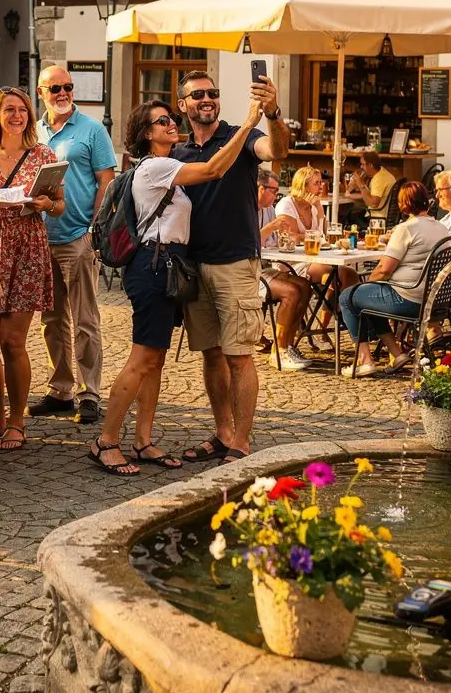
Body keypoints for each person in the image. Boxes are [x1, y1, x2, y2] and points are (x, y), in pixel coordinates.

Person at [91, 96, 261, 476]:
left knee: (155, 361)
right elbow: (215, 169)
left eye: (171, 118)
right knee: (142, 359)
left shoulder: (165, 165)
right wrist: (248, 124)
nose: (171, 124)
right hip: (153, 268)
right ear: (146, 134)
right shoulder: (157, 167)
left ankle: (143, 441)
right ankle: (106, 441)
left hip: (164, 267)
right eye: (162, 120)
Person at [174, 69, 289, 464]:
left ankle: (241, 441)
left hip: (237, 263)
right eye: (198, 95)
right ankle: (223, 431)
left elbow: (276, 152)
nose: (207, 99)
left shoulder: (243, 138)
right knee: (211, 353)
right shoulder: (180, 151)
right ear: (183, 105)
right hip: (194, 265)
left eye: (213, 93)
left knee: (239, 355)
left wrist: (271, 113)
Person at [0, 87, 64, 452]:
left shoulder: (43, 155)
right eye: (9, 109)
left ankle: (18, 420)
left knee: (12, 340)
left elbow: (59, 206)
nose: (17, 115)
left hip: (26, 248)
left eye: (22, 109)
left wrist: (43, 202)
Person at [31, 64, 116, 423]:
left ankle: (90, 393)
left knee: (85, 319)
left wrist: (93, 230)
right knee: (51, 320)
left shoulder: (92, 130)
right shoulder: (33, 132)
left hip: (77, 236)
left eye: (67, 87)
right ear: (41, 93)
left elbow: (106, 182)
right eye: (55, 89)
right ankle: (61, 389)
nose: (63, 93)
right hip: (39, 237)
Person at [339, 181, 449, 377]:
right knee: (369, 298)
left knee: (348, 297)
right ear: (426, 201)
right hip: (435, 299)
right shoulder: (441, 228)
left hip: (408, 298)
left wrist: (367, 284)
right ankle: (397, 354)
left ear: (403, 204)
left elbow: (383, 270)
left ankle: (365, 361)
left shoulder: (406, 228)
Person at [275, 165, 359, 318]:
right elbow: (290, 236)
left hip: (315, 258)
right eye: (317, 183)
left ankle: (334, 320)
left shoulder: (313, 206)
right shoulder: (287, 204)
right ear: (303, 185)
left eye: (321, 182)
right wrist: (310, 236)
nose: (321, 186)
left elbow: (325, 234)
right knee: (334, 273)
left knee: (351, 274)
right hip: (292, 261)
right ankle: (336, 316)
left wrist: (319, 207)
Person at [256, 170, 313, 372]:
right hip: (247, 272)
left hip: (266, 267)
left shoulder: (269, 209)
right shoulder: (244, 209)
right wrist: (270, 228)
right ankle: (277, 351)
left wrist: (285, 239)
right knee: (291, 291)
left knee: (305, 286)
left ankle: (288, 345)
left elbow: (271, 245)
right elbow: (248, 244)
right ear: (260, 188)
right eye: (273, 191)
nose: (275, 195)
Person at [346, 151, 396, 222]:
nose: (361, 167)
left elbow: (373, 203)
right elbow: (369, 196)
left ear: (371, 165)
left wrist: (361, 185)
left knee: (348, 216)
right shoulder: (383, 173)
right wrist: (357, 184)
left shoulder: (378, 179)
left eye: (363, 164)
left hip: (377, 218)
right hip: (386, 215)